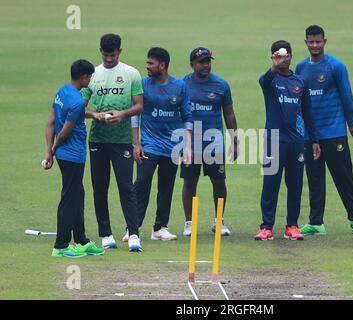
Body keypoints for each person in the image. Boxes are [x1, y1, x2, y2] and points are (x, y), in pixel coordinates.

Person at [295, 25, 353, 236]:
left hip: (334, 132)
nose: (315, 45)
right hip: (310, 135)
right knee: (315, 179)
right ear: (306, 42)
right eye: (311, 41)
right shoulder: (301, 68)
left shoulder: (336, 66)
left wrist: (352, 127)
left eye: (318, 41)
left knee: (343, 177)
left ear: (324, 42)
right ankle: (316, 223)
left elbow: (347, 97)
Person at [81, 34, 144, 252]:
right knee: (100, 187)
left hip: (122, 140)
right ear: (100, 51)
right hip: (98, 139)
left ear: (120, 51)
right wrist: (96, 116)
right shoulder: (93, 75)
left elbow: (139, 106)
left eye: (113, 55)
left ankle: (134, 234)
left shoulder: (131, 74)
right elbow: (81, 107)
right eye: (106, 55)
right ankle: (106, 234)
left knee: (126, 187)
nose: (109, 59)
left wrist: (123, 113)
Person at [255, 40, 320, 241]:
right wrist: (274, 66)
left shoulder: (300, 83)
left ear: (291, 56)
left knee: (295, 184)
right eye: (277, 55)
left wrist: (314, 139)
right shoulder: (270, 80)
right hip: (274, 140)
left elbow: (308, 112)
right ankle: (266, 227)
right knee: (271, 183)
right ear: (273, 57)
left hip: (296, 141)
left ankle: (292, 225)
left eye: (285, 55)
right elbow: (263, 80)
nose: (282, 58)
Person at [44, 59, 105, 258]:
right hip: (72, 155)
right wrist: (53, 149)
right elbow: (63, 133)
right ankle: (61, 245)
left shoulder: (63, 92)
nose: (91, 80)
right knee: (70, 198)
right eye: (90, 77)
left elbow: (51, 122)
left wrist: (49, 151)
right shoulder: (77, 101)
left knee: (77, 194)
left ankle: (81, 241)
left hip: (65, 154)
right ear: (84, 77)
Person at [132, 47, 193, 241]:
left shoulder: (180, 86)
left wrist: (189, 146)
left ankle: (160, 228)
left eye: (151, 63)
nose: (147, 66)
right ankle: (132, 228)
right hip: (149, 145)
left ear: (162, 65)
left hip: (173, 146)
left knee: (166, 188)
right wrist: (136, 143)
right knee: (141, 184)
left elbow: (187, 117)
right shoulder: (142, 84)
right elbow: (135, 115)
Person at [181, 47, 239, 237]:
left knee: (219, 181)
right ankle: (189, 223)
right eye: (201, 62)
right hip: (190, 142)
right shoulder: (183, 85)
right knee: (190, 181)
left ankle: (219, 221)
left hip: (214, 143)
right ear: (192, 64)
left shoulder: (221, 85)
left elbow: (229, 114)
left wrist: (235, 140)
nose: (206, 65)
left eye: (208, 61)